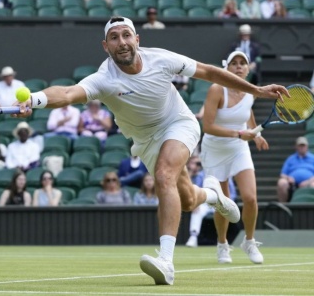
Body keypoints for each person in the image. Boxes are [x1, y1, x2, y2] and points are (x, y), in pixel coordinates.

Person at [14, 16, 289, 285]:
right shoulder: (103, 78)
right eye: (114, 38)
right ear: (105, 46)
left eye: (126, 35)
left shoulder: (162, 59)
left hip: (179, 124)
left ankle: (166, 262)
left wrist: (257, 90)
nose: (121, 42)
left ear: (137, 39)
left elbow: (208, 71)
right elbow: (67, 93)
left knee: (164, 175)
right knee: (189, 200)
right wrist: (35, 99)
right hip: (145, 141)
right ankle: (213, 194)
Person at [201, 51, 270, 264]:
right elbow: (208, 126)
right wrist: (241, 134)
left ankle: (249, 241)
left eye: (243, 63)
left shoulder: (249, 93)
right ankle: (222, 244)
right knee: (224, 202)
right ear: (227, 68)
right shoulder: (216, 89)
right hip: (214, 149)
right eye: (234, 63)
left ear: (248, 69)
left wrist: (255, 134)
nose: (239, 67)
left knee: (250, 198)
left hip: (239, 148)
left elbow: (247, 115)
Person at [185, 155, 237, 248]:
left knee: (223, 211)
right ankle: (193, 237)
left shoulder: (225, 174)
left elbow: (232, 193)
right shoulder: (200, 174)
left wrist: (226, 202)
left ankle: (222, 240)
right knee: (197, 210)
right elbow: (195, 190)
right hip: (205, 204)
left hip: (221, 202)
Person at [276, 136, 314, 202]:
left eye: (303, 145)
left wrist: (308, 182)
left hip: (310, 181)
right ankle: (283, 206)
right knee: (281, 182)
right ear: (296, 147)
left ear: (307, 146)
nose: (302, 147)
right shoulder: (290, 159)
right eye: (300, 145)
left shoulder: (312, 158)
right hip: (292, 183)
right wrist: (288, 178)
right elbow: (282, 174)